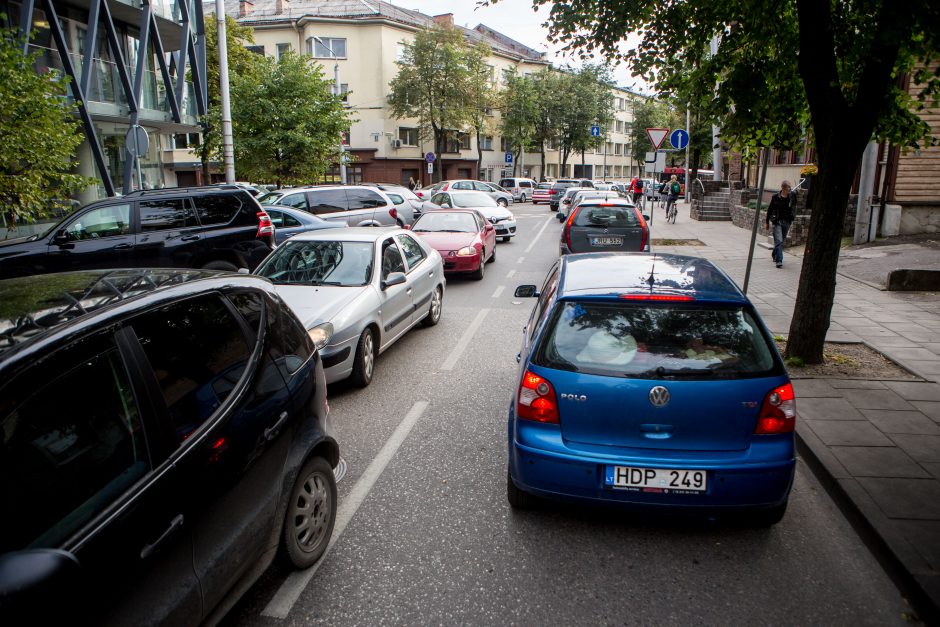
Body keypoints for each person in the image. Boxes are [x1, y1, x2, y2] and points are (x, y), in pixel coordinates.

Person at [765, 180, 797, 268]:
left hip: (787, 222)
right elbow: (770, 209)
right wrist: (767, 222)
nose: (790, 189)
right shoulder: (775, 197)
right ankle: (779, 261)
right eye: (788, 187)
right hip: (777, 222)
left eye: (790, 187)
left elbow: (794, 205)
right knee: (778, 240)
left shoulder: (792, 195)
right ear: (783, 188)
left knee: (781, 241)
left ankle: (774, 253)